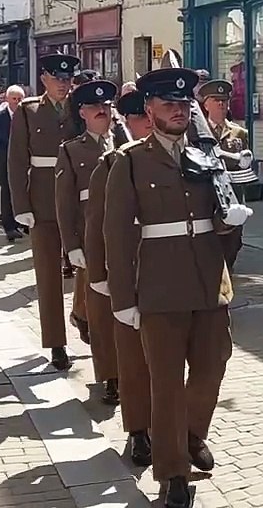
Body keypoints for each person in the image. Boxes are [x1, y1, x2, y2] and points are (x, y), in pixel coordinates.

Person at [104, 67, 248, 507]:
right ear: (149, 110)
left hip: (208, 281)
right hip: (160, 285)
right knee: (165, 382)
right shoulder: (130, 160)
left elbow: (222, 218)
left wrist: (230, 224)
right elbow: (116, 232)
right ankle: (173, 474)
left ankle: (189, 434)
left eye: (184, 105)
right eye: (169, 105)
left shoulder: (209, 155)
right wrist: (123, 298)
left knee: (212, 367)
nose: (178, 112)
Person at [87, 89, 153, 466]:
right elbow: (97, 224)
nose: (149, 125)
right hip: (127, 272)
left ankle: (170, 432)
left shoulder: (182, 160)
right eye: (142, 118)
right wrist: (99, 274)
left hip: (166, 273)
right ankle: (138, 432)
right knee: (131, 359)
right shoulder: (113, 163)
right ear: (130, 121)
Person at [9, 53, 82, 371]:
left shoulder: (80, 107)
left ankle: (83, 313)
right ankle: (56, 343)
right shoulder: (28, 111)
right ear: (44, 80)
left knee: (90, 266)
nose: (64, 85)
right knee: (48, 275)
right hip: (42, 200)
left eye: (67, 79)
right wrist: (21, 205)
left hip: (79, 198)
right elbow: (15, 161)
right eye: (57, 79)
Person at [56, 79, 121, 405]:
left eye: (106, 107)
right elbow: (64, 204)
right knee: (100, 314)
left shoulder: (125, 144)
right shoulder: (72, 150)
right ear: (82, 113)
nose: (102, 112)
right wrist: (72, 246)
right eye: (95, 108)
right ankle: (110, 377)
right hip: (92, 241)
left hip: (125, 238)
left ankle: (123, 370)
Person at [198, 78, 254, 272]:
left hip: (233, 196)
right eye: (216, 100)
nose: (221, 104)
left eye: (224, 100)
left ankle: (226, 275)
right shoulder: (196, 133)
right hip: (206, 198)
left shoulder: (239, 133)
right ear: (206, 104)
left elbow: (245, 166)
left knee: (233, 241)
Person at [0, 86, 25, 241]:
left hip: (24, 161)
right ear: (7, 99)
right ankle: (9, 226)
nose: (17, 102)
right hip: (4, 161)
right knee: (7, 192)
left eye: (19, 99)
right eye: (14, 99)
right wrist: (6, 153)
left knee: (23, 191)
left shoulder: (27, 116)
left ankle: (22, 223)